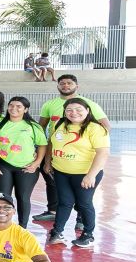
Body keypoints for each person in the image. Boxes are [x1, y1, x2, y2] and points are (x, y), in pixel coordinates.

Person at [35, 74, 110, 223]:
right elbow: (41, 127)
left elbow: (106, 126)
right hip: (58, 152)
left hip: (81, 156)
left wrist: (95, 144)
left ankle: (81, 219)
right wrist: (40, 149)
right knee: (53, 182)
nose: (66, 86)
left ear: (77, 86)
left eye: (69, 83)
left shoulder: (89, 104)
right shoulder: (49, 104)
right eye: (62, 83)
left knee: (82, 190)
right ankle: (53, 210)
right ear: (58, 86)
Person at [45, 98, 110, 249]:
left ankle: (88, 234)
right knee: (64, 202)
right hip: (61, 172)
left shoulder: (95, 128)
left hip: (84, 174)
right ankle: (57, 232)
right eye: (69, 110)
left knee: (84, 203)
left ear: (87, 111)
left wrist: (91, 175)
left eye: (78, 109)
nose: (74, 113)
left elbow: (102, 153)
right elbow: (51, 143)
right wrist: (48, 162)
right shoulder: (60, 124)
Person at [0, 97, 47, 227]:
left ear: (25, 109)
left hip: (26, 167)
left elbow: (42, 145)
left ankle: (22, 228)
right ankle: (3, 226)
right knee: (2, 198)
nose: (14, 108)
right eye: (11, 105)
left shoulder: (33, 126)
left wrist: (36, 163)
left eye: (18, 106)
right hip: (3, 165)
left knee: (23, 198)